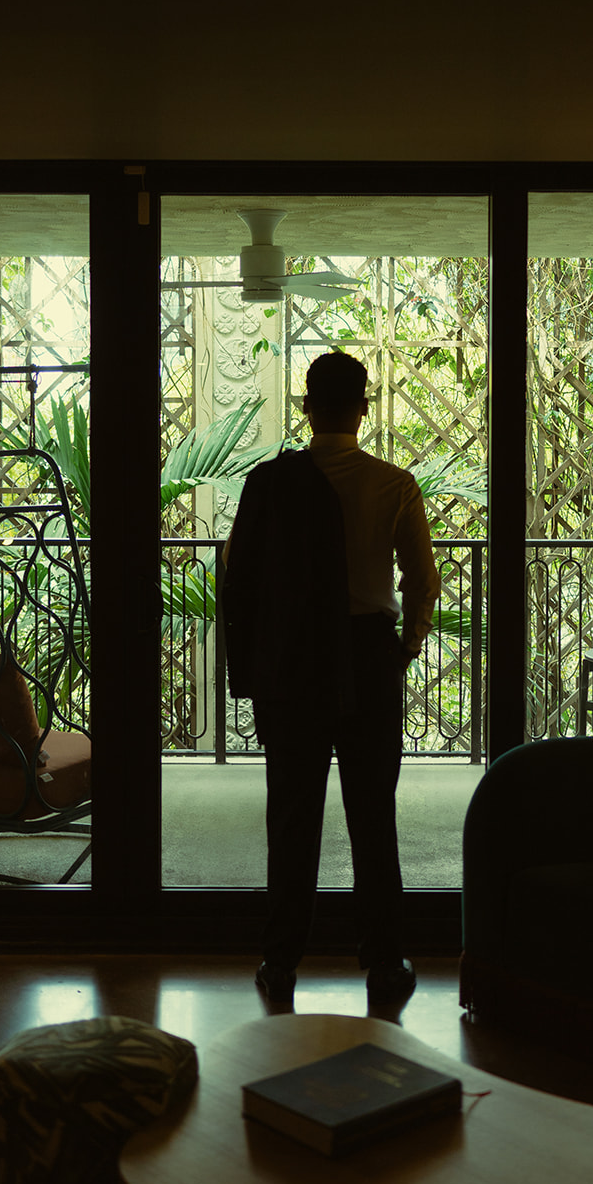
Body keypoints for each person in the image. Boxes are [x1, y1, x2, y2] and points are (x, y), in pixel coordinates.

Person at [222, 350, 441, 1004]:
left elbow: (238, 574)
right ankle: (383, 960)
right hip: (369, 656)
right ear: (364, 408)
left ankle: (280, 960)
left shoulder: (270, 483)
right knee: (372, 812)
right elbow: (421, 579)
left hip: (293, 662)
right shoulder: (394, 484)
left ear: (306, 406)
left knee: (292, 813)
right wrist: (405, 644)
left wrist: (260, 661)